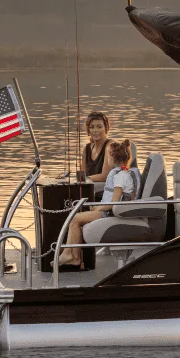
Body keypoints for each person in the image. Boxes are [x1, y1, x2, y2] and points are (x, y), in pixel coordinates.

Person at [59, 139, 140, 267]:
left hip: (110, 213)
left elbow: (114, 203)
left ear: (112, 158)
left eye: (108, 157)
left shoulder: (121, 177)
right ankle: (73, 255)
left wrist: (97, 208)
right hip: (108, 211)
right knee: (77, 219)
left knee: (75, 219)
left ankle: (70, 255)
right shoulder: (122, 173)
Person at [81, 111, 111, 181]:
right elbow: (82, 175)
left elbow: (105, 176)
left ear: (106, 128)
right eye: (91, 127)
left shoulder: (110, 146)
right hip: (88, 186)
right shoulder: (86, 149)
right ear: (88, 130)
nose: (95, 130)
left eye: (99, 127)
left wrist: (84, 179)